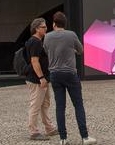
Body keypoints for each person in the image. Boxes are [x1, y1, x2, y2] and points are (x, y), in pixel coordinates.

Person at [43, 12, 97, 145]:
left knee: (60, 107)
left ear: (54, 24)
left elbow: (46, 51)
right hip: (70, 74)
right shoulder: (71, 35)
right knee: (78, 104)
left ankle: (63, 138)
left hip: (55, 74)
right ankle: (84, 137)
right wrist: (71, 51)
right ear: (65, 24)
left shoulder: (47, 37)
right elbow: (80, 50)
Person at [25, 17, 58, 140]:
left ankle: (49, 128)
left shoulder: (37, 41)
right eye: (43, 27)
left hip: (41, 78)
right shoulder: (35, 42)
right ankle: (33, 132)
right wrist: (41, 78)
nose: (46, 29)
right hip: (37, 79)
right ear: (36, 28)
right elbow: (34, 61)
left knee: (45, 104)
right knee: (35, 105)